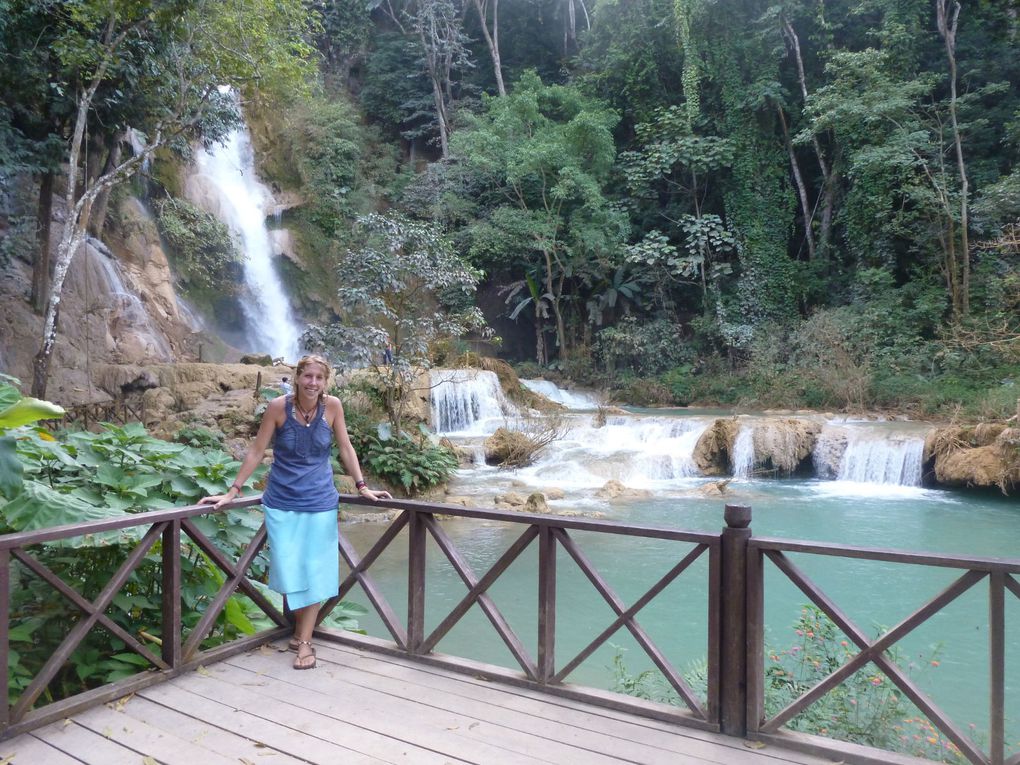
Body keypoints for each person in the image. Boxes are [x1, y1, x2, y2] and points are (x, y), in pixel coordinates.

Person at [201, 354, 391, 670]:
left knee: (315, 569)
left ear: (325, 382)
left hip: (320, 502)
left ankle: (304, 642)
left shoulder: (333, 408)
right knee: (290, 569)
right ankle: (299, 630)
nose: (313, 383)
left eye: (319, 378)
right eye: (308, 376)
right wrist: (233, 491)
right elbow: (257, 450)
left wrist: (362, 487)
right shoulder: (277, 408)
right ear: (297, 377)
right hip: (282, 500)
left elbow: (345, 448)